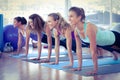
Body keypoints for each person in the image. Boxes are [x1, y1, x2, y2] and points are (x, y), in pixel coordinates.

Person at [68, 6, 120, 75]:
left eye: (71, 16)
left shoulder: (89, 27)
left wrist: (95, 70)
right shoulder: (76, 31)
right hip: (105, 44)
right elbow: (79, 50)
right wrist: (79, 67)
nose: (69, 19)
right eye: (68, 16)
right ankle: (115, 53)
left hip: (114, 37)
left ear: (79, 17)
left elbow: (93, 50)